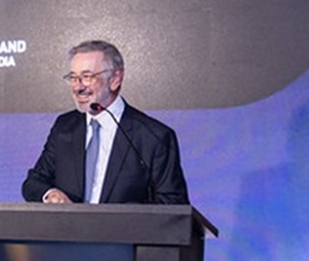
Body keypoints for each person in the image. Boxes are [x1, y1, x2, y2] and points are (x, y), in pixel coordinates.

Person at [21, 40, 189, 205]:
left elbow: (173, 203)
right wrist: (50, 194)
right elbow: (34, 182)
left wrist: (122, 215)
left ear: (115, 79)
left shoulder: (153, 137)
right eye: (73, 77)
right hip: (68, 225)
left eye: (87, 77)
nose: (78, 87)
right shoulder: (65, 127)